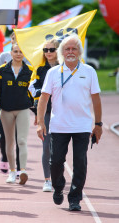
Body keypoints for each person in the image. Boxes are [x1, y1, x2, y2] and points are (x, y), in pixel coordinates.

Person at [36, 34, 103, 211]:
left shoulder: (89, 71)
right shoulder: (53, 73)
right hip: (58, 125)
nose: (71, 52)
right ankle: (58, 187)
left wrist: (98, 124)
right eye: (67, 49)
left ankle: (75, 198)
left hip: (82, 125)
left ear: (79, 52)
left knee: (80, 162)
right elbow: (43, 99)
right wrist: (40, 123)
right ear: (62, 52)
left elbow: (96, 99)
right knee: (56, 161)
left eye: (74, 48)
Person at [0, 43, 33, 185]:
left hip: (23, 109)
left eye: (20, 51)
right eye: (15, 51)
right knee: (9, 141)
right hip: (6, 110)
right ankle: (12, 171)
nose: (18, 54)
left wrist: (35, 111)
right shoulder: (2, 70)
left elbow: (33, 92)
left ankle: (22, 170)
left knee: (22, 140)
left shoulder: (30, 70)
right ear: (10, 53)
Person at [29, 39, 59, 192]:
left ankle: (58, 177)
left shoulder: (65, 68)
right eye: (45, 50)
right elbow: (32, 87)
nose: (48, 53)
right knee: (46, 146)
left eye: (51, 49)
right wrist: (44, 93)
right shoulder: (39, 69)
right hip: (46, 111)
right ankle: (47, 180)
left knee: (60, 147)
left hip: (62, 112)